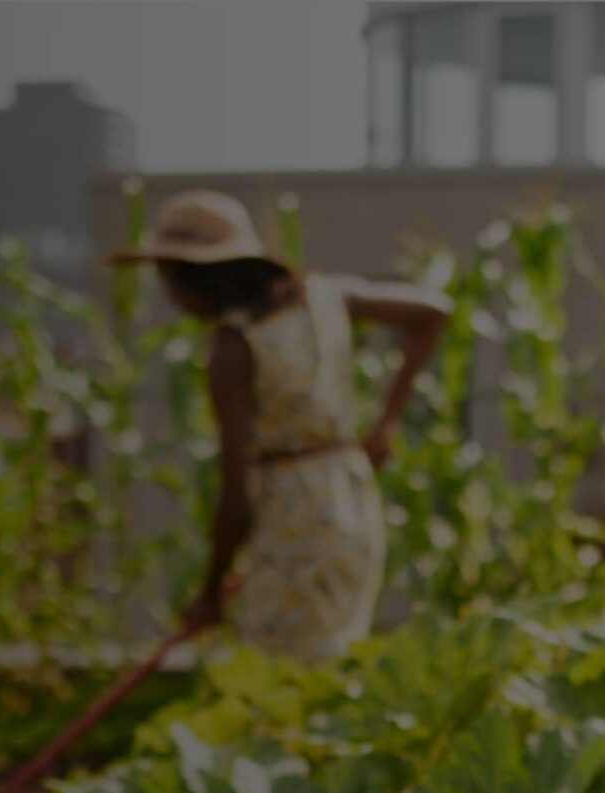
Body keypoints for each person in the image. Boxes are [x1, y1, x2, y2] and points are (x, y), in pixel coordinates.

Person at [121, 189, 446, 664]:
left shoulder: (233, 349)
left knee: (275, 678)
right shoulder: (324, 296)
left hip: (292, 520)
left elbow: (236, 499)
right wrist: (382, 427)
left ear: (199, 278)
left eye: (170, 280)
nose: (170, 296)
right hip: (350, 499)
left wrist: (210, 592)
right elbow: (433, 311)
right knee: (330, 665)